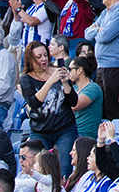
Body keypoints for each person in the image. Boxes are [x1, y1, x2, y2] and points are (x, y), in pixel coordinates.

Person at [19, 41, 79, 177]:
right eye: (39, 57)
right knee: (40, 169)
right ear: (31, 59)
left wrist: (65, 83)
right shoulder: (26, 79)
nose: (44, 59)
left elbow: (73, 102)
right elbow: (34, 103)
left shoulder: (57, 71)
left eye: (45, 55)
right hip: (40, 130)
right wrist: (50, 81)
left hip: (64, 128)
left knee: (64, 170)